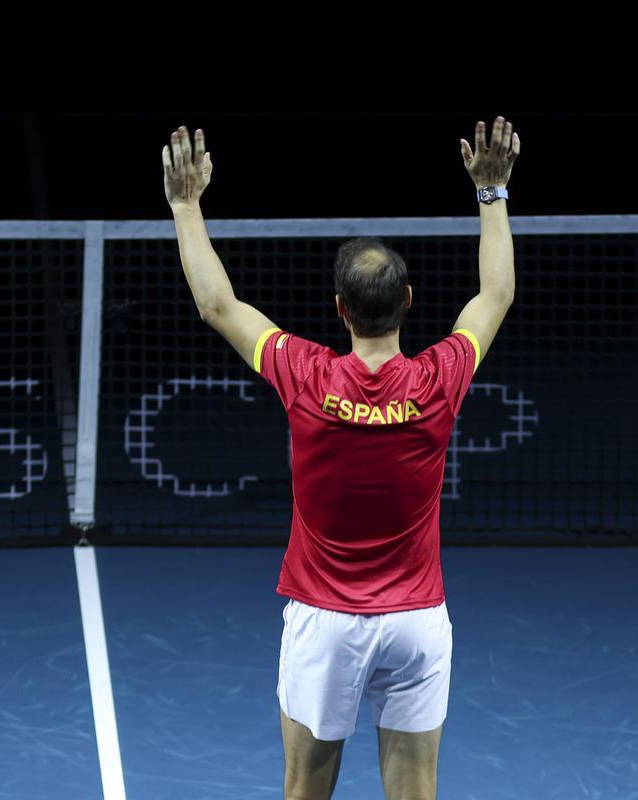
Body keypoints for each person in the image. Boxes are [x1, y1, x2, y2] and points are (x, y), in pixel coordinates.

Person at [162, 116, 519, 799]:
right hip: (417, 621)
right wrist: (492, 190)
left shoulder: (306, 375)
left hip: (325, 623)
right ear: (407, 303)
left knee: (306, 790)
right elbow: (495, 294)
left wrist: (186, 204)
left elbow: (217, 304)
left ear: (340, 309)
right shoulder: (439, 380)